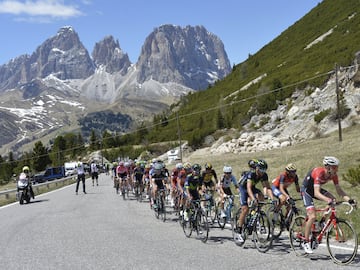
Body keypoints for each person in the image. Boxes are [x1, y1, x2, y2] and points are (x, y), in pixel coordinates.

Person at [300, 156, 357, 254]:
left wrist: (349, 200)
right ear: (328, 167)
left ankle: (322, 221)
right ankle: (305, 241)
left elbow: (339, 191)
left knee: (333, 199)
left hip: (315, 189)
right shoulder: (319, 172)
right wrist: (328, 200)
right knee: (312, 216)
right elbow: (317, 193)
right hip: (306, 191)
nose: (336, 170)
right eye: (334, 167)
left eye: (337, 167)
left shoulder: (334, 175)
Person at [236, 159, 274, 243]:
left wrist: (272, 199)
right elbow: (248, 189)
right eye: (261, 169)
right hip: (243, 188)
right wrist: (253, 199)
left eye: (264, 170)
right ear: (257, 168)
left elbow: (267, 187)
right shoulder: (251, 174)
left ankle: (255, 214)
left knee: (261, 198)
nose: (262, 172)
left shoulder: (264, 175)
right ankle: (238, 231)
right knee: (245, 209)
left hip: (252, 188)